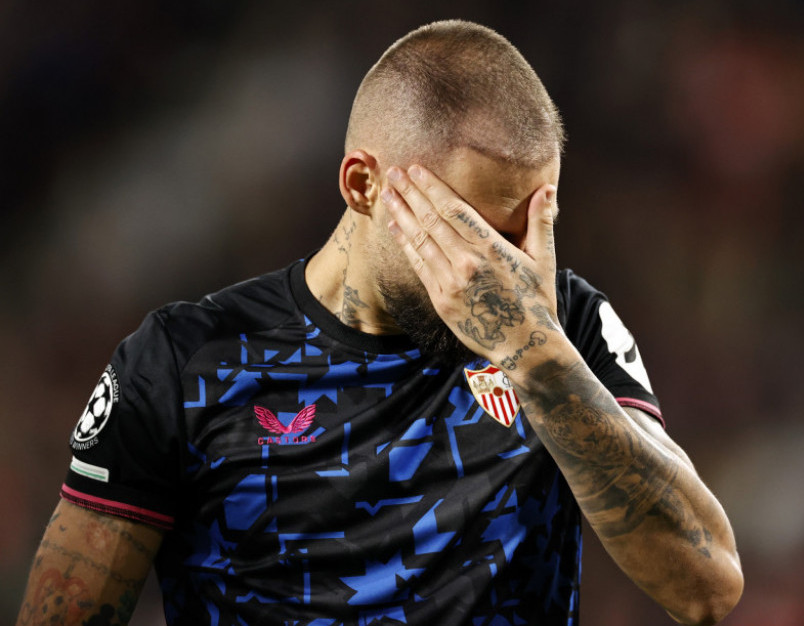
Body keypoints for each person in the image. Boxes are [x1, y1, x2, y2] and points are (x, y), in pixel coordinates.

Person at [17, 19, 743, 626]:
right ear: (362, 184)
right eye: (473, 232)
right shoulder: (185, 361)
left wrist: (534, 352)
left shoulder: (562, 325)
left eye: (531, 230)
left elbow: (706, 588)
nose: (510, 271)